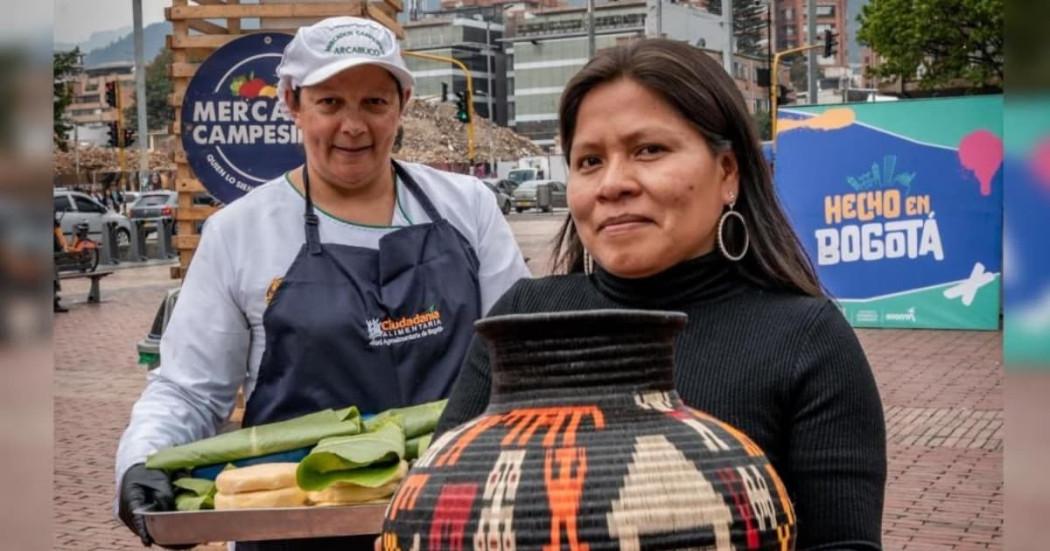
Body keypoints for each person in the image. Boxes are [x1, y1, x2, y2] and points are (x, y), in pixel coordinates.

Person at [435, 39, 886, 550]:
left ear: (728, 172)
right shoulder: (521, 319)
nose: (613, 184)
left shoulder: (807, 340)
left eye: (649, 150)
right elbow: (437, 517)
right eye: (588, 161)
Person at [116, 16, 529, 549]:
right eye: (330, 102)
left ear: (402, 104)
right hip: (295, 524)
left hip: (453, 516)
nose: (353, 126)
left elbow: (517, 353)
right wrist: (142, 461)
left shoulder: (467, 206)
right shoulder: (239, 233)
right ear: (292, 102)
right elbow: (189, 392)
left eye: (374, 103)